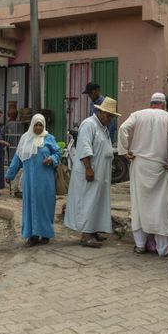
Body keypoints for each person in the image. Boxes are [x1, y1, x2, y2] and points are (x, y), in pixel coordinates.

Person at [117, 93, 168, 257]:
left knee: (139, 205)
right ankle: (162, 249)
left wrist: (124, 151)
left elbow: (123, 128)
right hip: (161, 166)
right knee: (161, 208)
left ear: (151, 103)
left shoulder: (138, 115)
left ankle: (140, 245)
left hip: (140, 165)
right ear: (164, 105)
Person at [64, 96, 119, 248]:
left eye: (112, 116)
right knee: (88, 201)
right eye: (108, 115)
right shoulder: (89, 124)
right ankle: (86, 235)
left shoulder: (103, 127)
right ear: (99, 112)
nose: (110, 119)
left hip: (101, 173)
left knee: (97, 202)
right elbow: (84, 147)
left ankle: (93, 230)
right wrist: (88, 168)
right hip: (90, 172)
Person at [5, 114, 61, 246]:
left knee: (45, 206)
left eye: (41, 125)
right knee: (30, 207)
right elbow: (17, 159)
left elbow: (58, 153)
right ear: (32, 125)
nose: (38, 127)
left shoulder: (49, 138)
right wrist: (10, 175)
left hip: (45, 182)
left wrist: (51, 159)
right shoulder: (25, 139)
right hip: (29, 182)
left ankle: (46, 234)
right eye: (36, 124)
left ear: (44, 126)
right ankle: (32, 236)